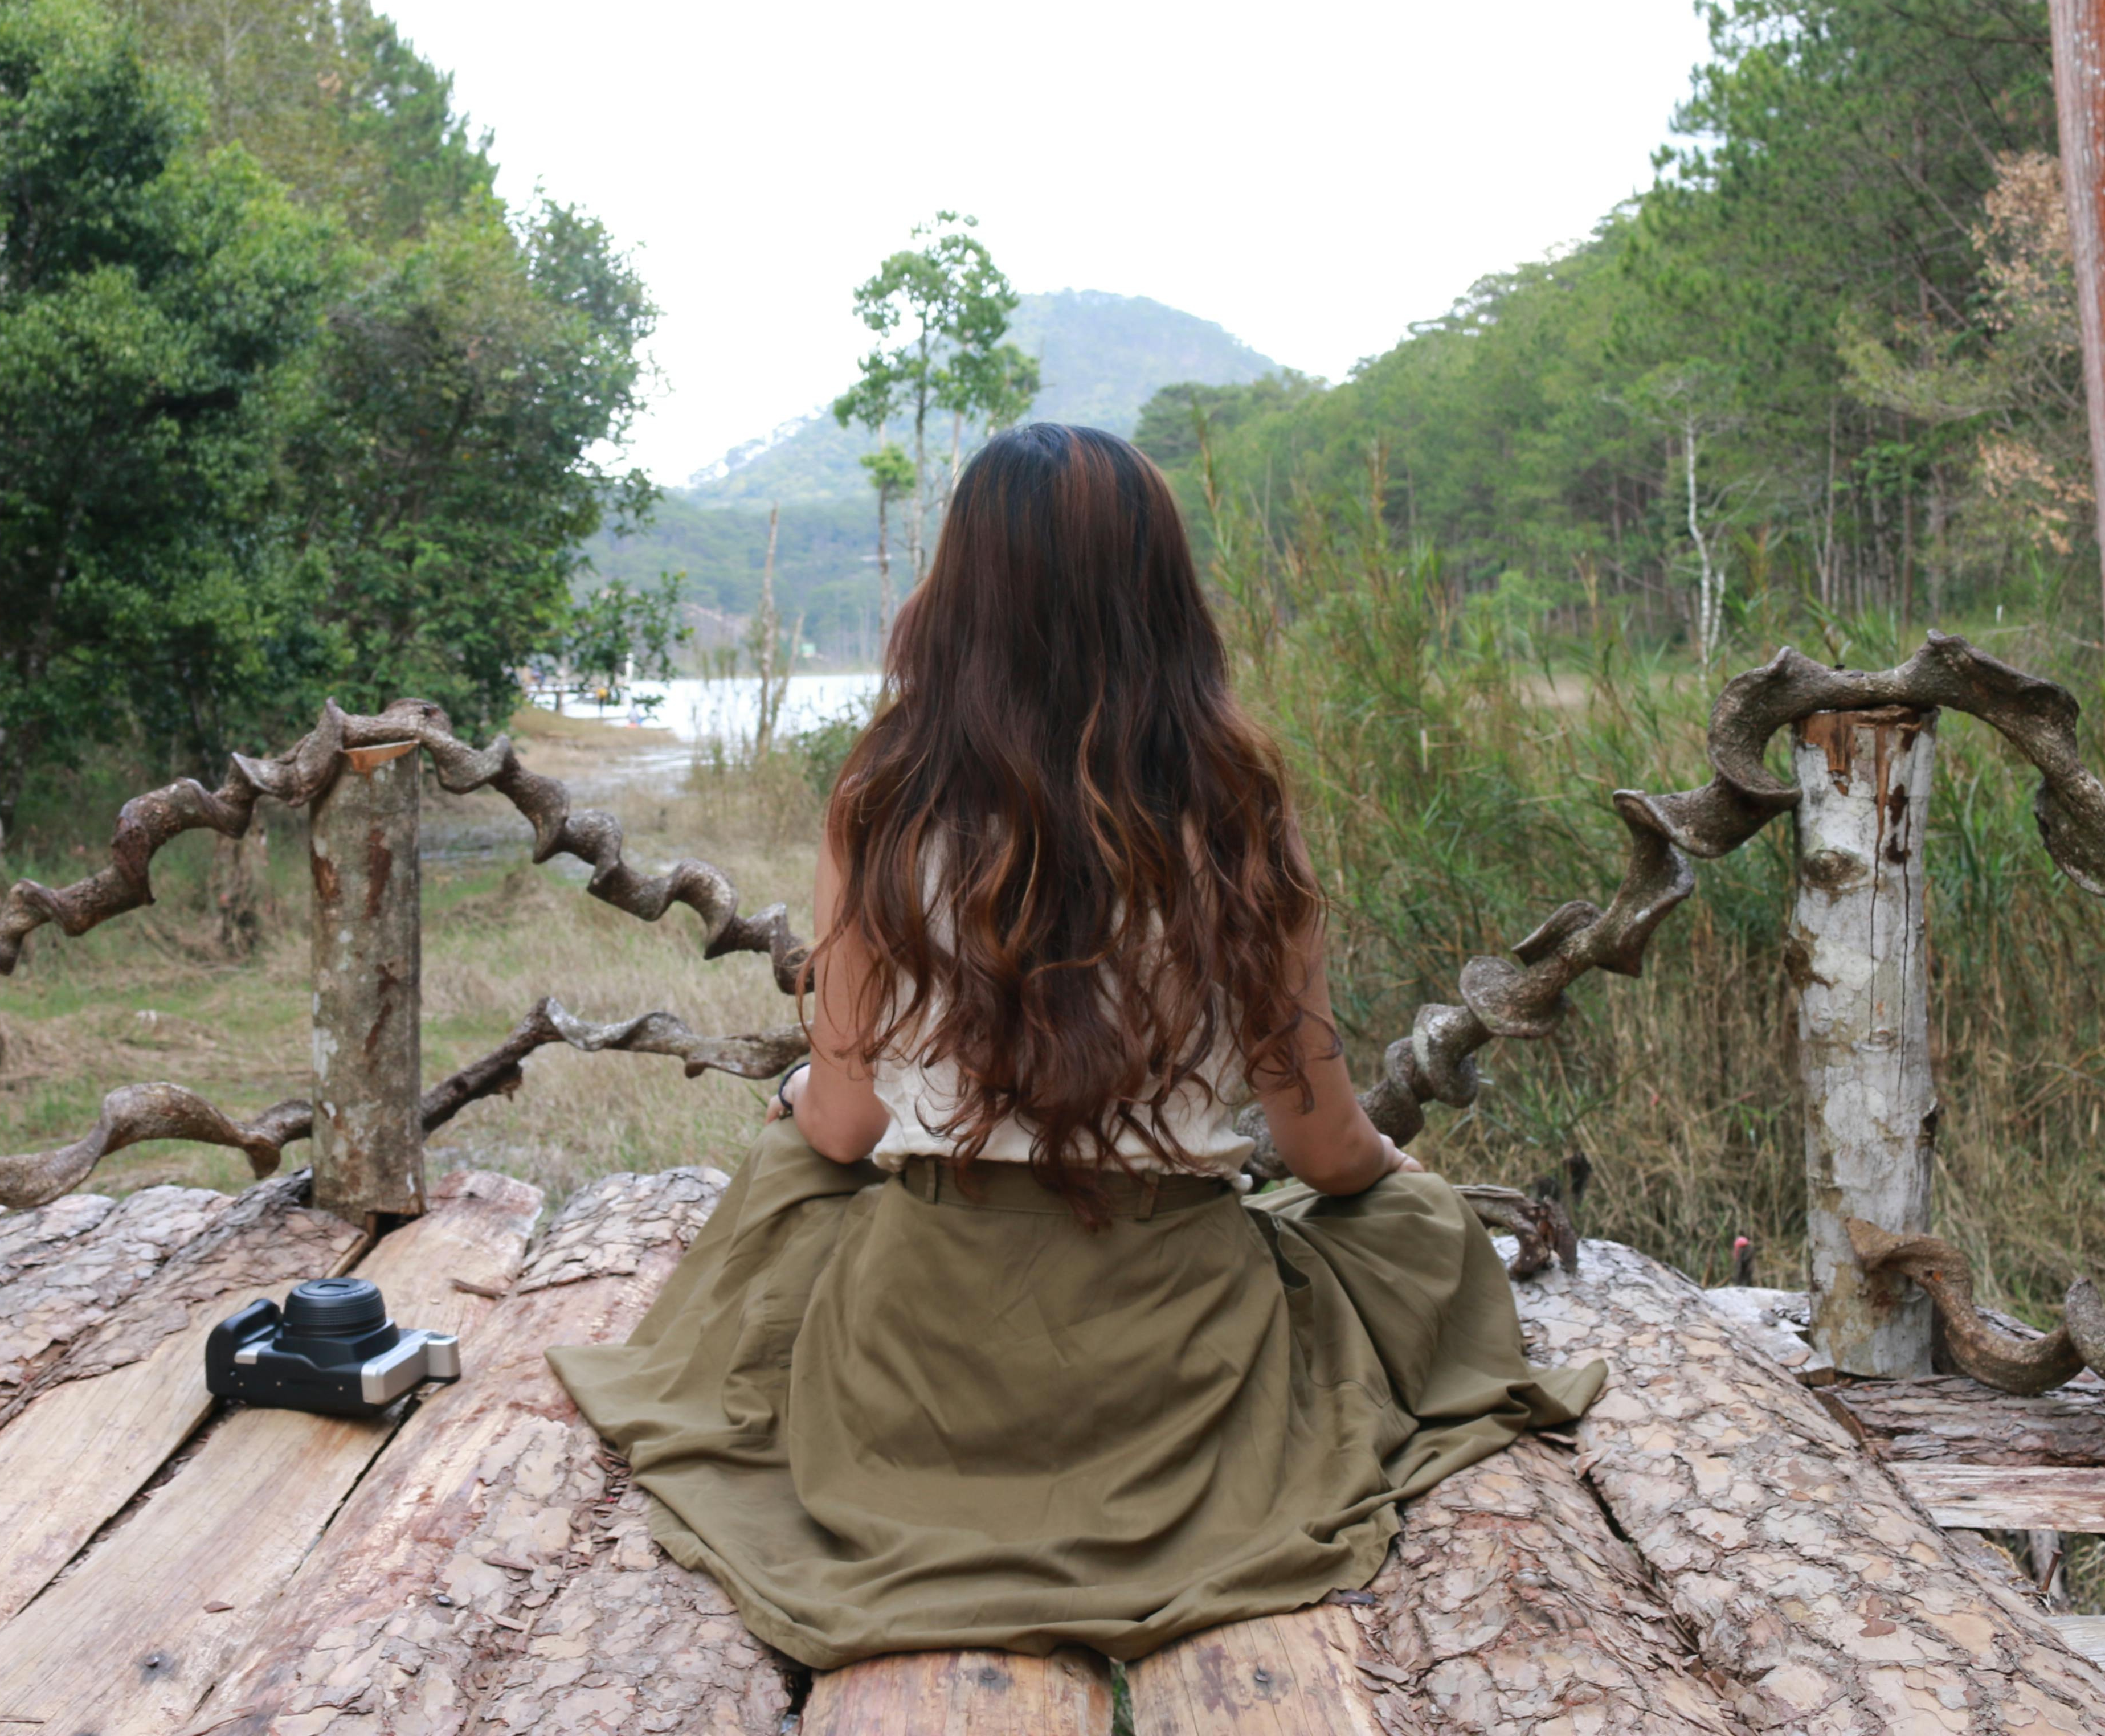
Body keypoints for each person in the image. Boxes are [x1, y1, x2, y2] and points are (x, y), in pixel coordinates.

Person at [549, 424, 1602, 1670]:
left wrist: (800, 1091)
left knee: (789, 1166)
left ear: (964, 589)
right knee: (1412, 1225)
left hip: (921, 1342)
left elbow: (842, 1128)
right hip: (1178, 1345)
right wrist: (1399, 1181)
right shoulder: (1239, 800)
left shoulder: (884, 795)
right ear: (1161, 592)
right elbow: (1324, 1151)